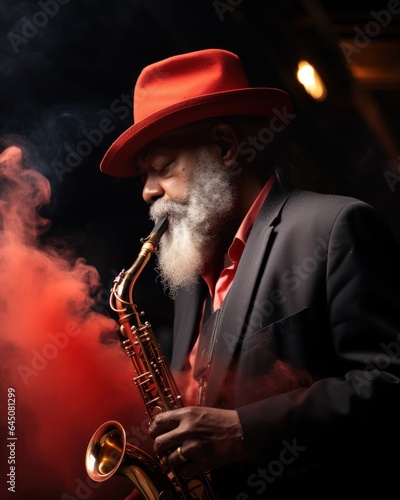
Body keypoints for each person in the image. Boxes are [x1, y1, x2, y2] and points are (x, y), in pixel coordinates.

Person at [99, 48, 400, 498]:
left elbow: (388, 384)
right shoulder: (188, 282)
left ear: (225, 145)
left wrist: (243, 429)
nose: (147, 192)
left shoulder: (336, 226)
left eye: (160, 168)